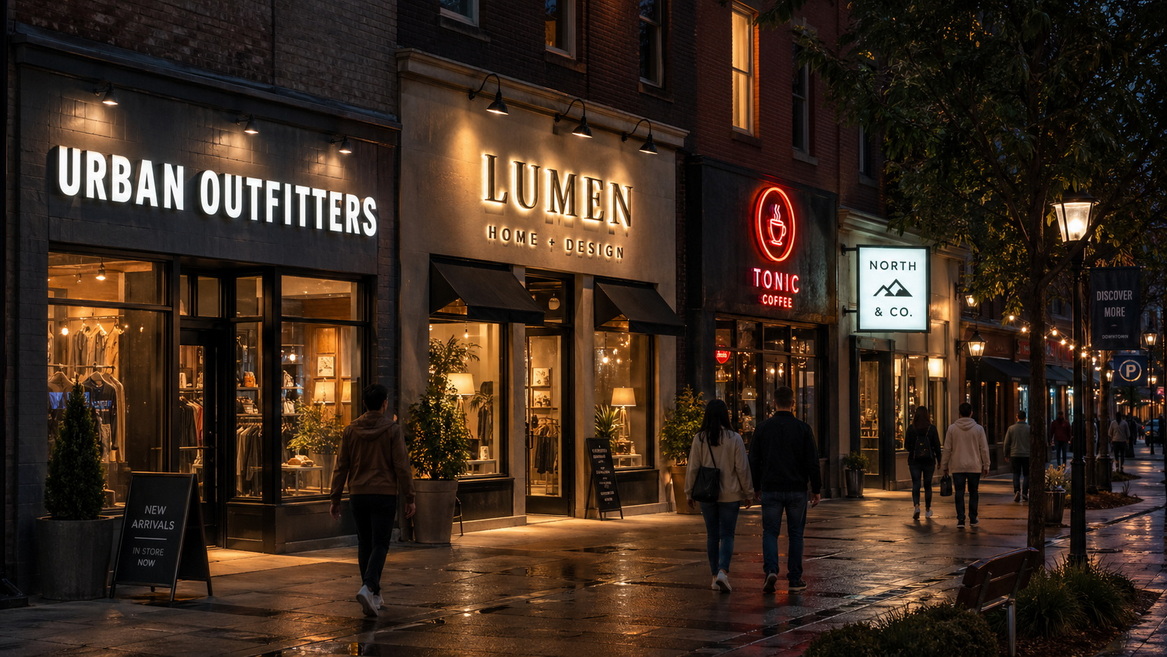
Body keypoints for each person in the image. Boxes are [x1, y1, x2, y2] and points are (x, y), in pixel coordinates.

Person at [329, 383, 416, 617]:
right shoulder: (392, 430)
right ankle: (368, 587)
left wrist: (335, 497)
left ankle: (373, 593)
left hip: (358, 493)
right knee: (380, 543)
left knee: (365, 543)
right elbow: (402, 466)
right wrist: (409, 496)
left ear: (365, 404)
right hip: (384, 493)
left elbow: (341, 466)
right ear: (385, 403)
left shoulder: (350, 430)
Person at [750, 386, 821, 593]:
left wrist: (756, 486)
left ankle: (771, 570)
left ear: (774, 403)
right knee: (796, 533)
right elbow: (812, 461)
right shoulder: (803, 429)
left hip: (771, 487)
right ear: (793, 404)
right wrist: (815, 488)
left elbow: (754, 459)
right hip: (796, 488)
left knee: (770, 532)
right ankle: (795, 578)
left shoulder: (763, 428)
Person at [685, 399, 753, 593]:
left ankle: (714, 576)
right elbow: (742, 468)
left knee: (712, 535)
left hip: (707, 495)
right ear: (726, 415)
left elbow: (693, 468)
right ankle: (723, 570)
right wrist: (748, 492)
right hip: (730, 494)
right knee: (727, 534)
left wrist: (689, 492)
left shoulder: (699, 438)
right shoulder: (735, 438)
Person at [941, 402, 990, 528]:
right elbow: (984, 448)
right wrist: (986, 465)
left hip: (958, 465)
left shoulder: (952, 429)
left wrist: (945, 464)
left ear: (959, 413)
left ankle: (961, 519)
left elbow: (947, 449)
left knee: (959, 492)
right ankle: (973, 518)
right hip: (974, 465)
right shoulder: (978, 429)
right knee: (974, 492)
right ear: (971, 413)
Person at [904, 406, 942, 520]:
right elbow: (937, 446)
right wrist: (939, 460)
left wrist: (914, 449)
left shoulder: (911, 428)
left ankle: (916, 506)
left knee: (916, 484)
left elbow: (906, 446)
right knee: (927, 485)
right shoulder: (932, 429)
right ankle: (928, 509)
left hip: (914, 460)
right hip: (929, 461)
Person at [1003, 411, 1032, 502]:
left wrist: (1006, 454)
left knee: (1016, 473)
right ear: (1025, 418)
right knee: (1027, 474)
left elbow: (1006, 443)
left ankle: (1017, 491)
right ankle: (1025, 492)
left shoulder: (1011, 429)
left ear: (1017, 417)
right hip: (1027, 454)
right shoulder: (1029, 429)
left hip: (1015, 454)